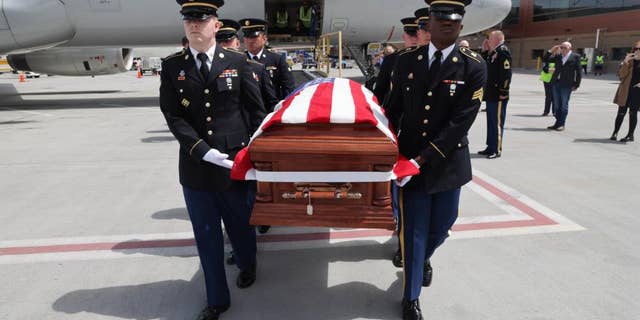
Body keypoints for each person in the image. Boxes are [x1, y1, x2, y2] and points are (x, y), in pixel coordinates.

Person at [159, 1, 267, 319]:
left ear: (215, 25)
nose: (194, 25)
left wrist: (254, 152)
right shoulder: (172, 66)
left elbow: (254, 111)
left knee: (242, 229)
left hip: (234, 166)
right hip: (196, 168)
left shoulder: (237, 62)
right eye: (189, 20)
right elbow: (173, 115)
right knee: (207, 238)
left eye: (201, 19)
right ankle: (217, 300)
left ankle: (249, 264)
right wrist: (201, 149)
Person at [384, 0, 486, 318]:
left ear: (461, 24)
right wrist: (386, 147)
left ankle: (423, 257)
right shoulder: (407, 62)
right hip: (410, 163)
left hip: (447, 163)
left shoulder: (473, 65)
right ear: (429, 21)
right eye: (441, 19)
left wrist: (423, 159)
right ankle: (410, 298)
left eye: (454, 20)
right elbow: (393, 109)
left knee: (442, 226)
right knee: (413, 232)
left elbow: (460, 123)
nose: (448, 24)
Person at [240, 18, 295, 234]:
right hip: (246, 121)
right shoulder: (237, 60)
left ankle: (270, 207)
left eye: (254, 37)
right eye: (247, 37)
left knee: (269, 167)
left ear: (264, 38)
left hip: (270, 119)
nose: (250, 41)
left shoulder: (276, 59)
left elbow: (288, 87)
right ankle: (256, 209)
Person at [217, 19, 278, 112]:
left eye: (227, 41)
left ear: (237, 43)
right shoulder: (209, 70)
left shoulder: (256, 68)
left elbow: (269, 103)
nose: (223, 45)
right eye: (218, 41)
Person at [478, 30, 512, 159]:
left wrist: (504, 91)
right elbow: (486, 65)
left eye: (490, 38)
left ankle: (496, 149)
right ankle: (490, 146)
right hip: (491, 94)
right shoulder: (494, 52)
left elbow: (506, 73)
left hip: (498, 94)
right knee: (491, 122)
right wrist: (485, 50)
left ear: (498, 39)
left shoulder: (503, 51)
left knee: (497, 123)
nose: (488, 41)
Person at [374, 21, 417, 104]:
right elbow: (381, 88)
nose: (414, 39)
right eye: (411, 35)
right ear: (404, 37)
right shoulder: (392, 59)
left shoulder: (434, 57)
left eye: (417, 35)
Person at [547, 42, 581, 131]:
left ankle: (562, 124)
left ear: (570, 48)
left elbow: (579, 72)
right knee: (557, 105)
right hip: (556, 83)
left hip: (567, 84)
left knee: (563, 105)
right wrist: (551, 50)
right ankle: (557, 123)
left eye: (564, 47)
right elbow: (546, 59)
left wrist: (576, 84)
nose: (562, 49)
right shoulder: (558, 56)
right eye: (561, 47)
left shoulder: (575, 57)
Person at [611, 41, 640, 142]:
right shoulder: (628, 61)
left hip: (637, 92)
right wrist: (626, 62)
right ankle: (615, 132)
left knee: (633, 113)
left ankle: (630, 135)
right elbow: (621, 75)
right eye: (636, 48)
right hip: (625, 90)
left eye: (639, 49)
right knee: (621, 112)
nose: (637, 51)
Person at [540, 49, 555, 116]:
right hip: (547, 80)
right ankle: (546, 111)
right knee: (549, 96)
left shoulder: (560, 59)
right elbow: (545, 69)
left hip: (556, 80)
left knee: (555, 96)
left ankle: (555, 111)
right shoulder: (548, 58)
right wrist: (555, 70)